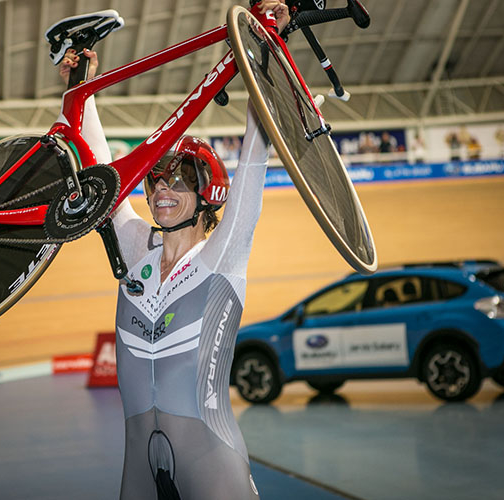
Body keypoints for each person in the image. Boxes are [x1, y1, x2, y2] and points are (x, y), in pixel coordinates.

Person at [60, 2, 289, 498]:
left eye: (182, 180)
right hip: (138, 464)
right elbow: (99, 170)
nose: (163, 188)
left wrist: (265, 46)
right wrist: (80, 90)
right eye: (157, 178)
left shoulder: (220, 256)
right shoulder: (137, 250)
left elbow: (255, 152)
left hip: (211, 461)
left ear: (210, 195)